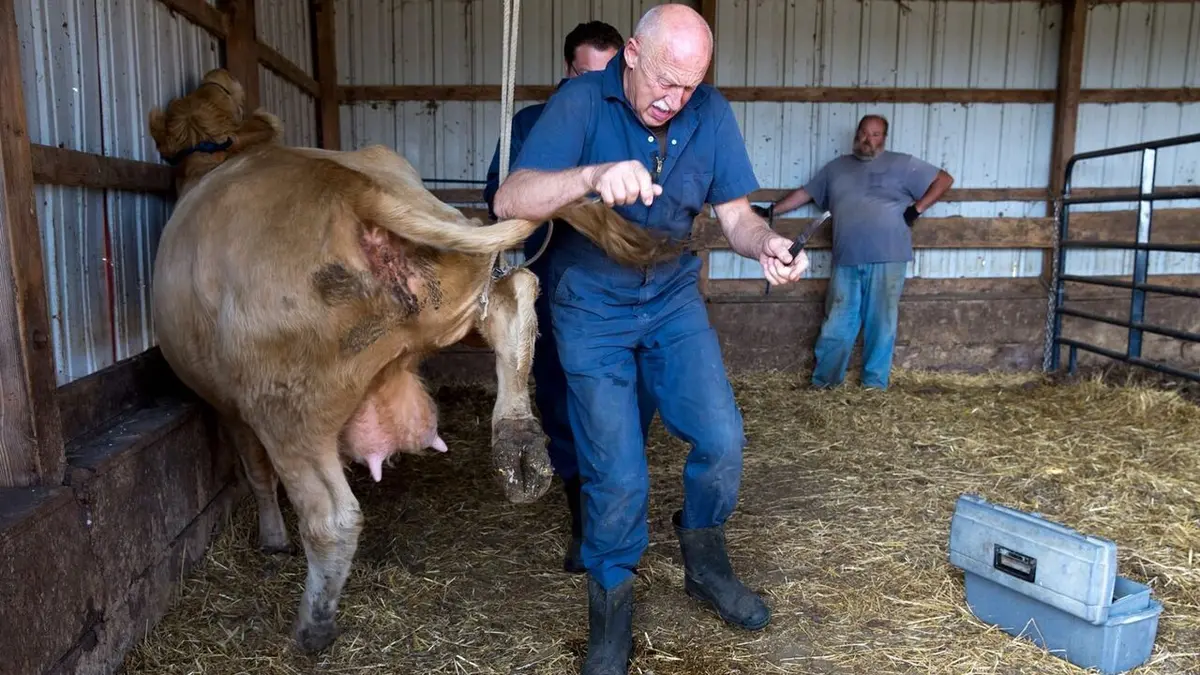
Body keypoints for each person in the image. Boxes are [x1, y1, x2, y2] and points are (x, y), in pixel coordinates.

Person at [492, 5, 808, 673]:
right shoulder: (581, 102)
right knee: (620, 473)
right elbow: (510, 197)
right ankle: (610, 612)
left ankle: (704, 559)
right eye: (666, 79)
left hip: (670, 298)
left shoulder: (710, 113)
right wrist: (589, 176)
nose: (675, 99)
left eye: (690, 85)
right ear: (631, 54)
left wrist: (767, 245)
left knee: (722, 437)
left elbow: (736, 217)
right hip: (591, 304)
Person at [483, 20, 658, 576]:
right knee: (564, 401)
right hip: (555, 286)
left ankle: (618, 507)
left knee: (640, 395)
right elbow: (499, 196)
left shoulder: (640, 124)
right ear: (568, 71)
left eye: (609, 75)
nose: (599, 86)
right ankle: (586, 526)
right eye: (587, 74)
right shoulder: (534, 124)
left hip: (631, 290)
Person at [758, 114, 954, 390]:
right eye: (863, 133)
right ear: (856, 135)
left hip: (889, 255)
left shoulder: (902, 163)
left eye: (874, 134)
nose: (867, 139)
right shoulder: (836, 168)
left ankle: (874, 386)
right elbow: (805, 193)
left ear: (884, 138)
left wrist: (916, 209)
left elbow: (944, 179)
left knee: (881, 322)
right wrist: (770, 211)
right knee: (838, 320)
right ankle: (824, 384)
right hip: (847, 256)